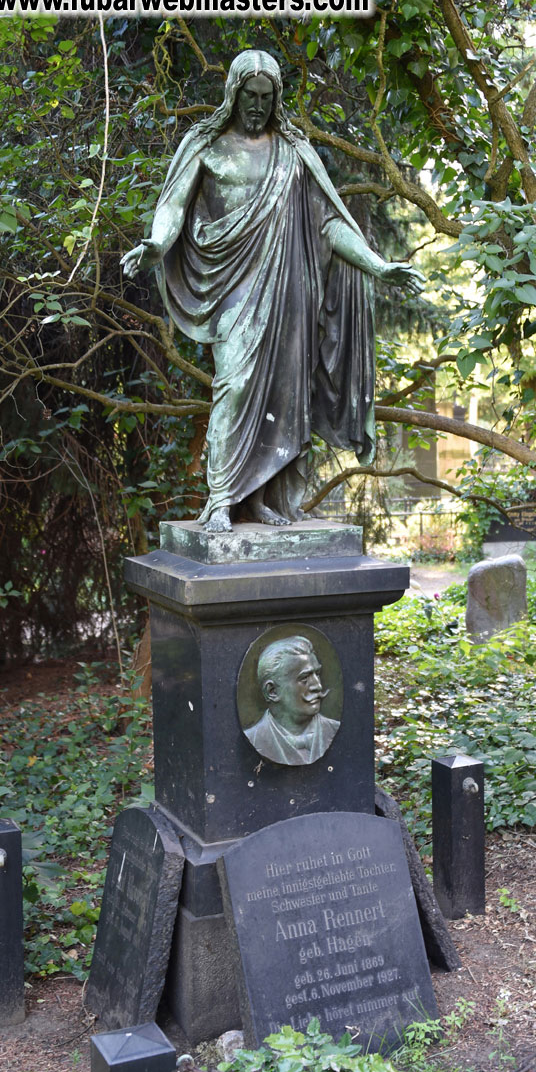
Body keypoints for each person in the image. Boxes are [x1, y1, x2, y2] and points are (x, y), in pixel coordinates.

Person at [121, 49, 423, 532]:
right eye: (250, 96)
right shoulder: (206, 146)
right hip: (232, 291)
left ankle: (260, 500)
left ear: (276, 98)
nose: (258, 106)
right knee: (236, 387)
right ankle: (220, 498)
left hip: (290, 292)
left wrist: (379, 265)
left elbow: (328, 226)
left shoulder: (294, 153)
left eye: (267, 97)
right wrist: (157, 244)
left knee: (285, 399)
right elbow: (174, 205)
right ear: (233, 93)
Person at [244, 636, 339, 766]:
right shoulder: (253, 738)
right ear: (272, 691)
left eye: (317, 674)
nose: (318, 686)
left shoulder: (334, 729)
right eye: (304, 678)